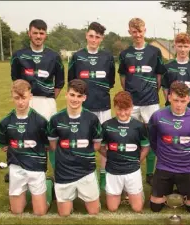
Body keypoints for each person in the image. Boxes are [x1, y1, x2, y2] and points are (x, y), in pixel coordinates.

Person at [67, 21, 115, 191]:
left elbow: (110, 82)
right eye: (91, 36)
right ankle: (86, 174)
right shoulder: (77, 57)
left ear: (101, 39)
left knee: (104, 143)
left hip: (103, 106)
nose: (94, 39)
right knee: (82, 142)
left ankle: (103, 174)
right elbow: (72, 82)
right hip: (83, 108)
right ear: (86, 35)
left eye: (98, 37)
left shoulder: (108, 57)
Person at [118, 18, 166, 186]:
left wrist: (153, 91)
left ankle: (150, 173)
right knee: (131, 136)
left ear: (145, 30)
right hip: (133, 102)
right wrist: (130, 95)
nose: (137, 34)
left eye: (140, 31)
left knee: (153, 136)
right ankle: (131, 168)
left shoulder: (154, 52)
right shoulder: (125, 54)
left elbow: (159, 75)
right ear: (129, 31)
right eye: (134, 31)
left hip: (151, 101)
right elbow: (123, 77)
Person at [47, 79, 103, 216]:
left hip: (86, 170)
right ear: (66, 95)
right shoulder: (55, 119)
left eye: (79, 96)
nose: (75, 99)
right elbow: (53, 145)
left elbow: (96, 145)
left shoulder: (92, 119)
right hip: (64, 172)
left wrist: (81, 155)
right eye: (72, 95)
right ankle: (50, 184)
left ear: (84, 98)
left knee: (94, 212)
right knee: (64, 214)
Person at [0, 79, 53, 216]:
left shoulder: (41, 122)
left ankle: (49, 186)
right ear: (12, 97)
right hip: (16, 168)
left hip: (36, 168)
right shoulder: (4, 123)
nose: (20, 102)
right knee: (17, 211)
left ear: (30, 96)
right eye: (17, 98)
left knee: (40, 212)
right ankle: (26, 191)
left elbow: (47, 146)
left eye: (24, 98)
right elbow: (4, 147)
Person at [148, 81, 190, 213]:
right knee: (155, 207)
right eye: (176, 100)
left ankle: (181, 188)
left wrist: (188, 155)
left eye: (183, 101)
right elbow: (153, 139)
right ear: (168, 97)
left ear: (189, 99)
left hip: (187, 168)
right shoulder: (158, 116)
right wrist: (163, 155)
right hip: (164, 167)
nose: (179, 105)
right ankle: (171, 189)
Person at [101, 91, 150, 213]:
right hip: (113, 170)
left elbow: (145, 147)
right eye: (119, 109)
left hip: (132, 170)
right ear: (114, 107)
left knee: (137, 208)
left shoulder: (139, 126)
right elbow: (100, 147)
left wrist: (137, 161)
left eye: (126, 109)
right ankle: (121, 191)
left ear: (132, 107)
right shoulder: (106, 126)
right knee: (112, 208)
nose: (122, 113)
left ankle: (137, 192)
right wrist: (111, 157)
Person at [10, 19, 64, 121]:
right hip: (26, 100)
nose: (38, 36)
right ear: (29, 33)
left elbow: (59, 83)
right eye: (35, 33)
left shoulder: (54, 56)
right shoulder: (18, 55)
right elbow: (16, 80)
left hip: (47, 101)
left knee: (47, 135)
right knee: (26, 135)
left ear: (45, 35)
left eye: (41, 33)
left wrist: (49, 98)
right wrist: (24, 98)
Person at [162, 32, 190, 111]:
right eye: (180, 46)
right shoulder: (167, 67)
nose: (183, 49)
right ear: (175, 46)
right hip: (173, 108)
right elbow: (165, 89)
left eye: (186, 46)